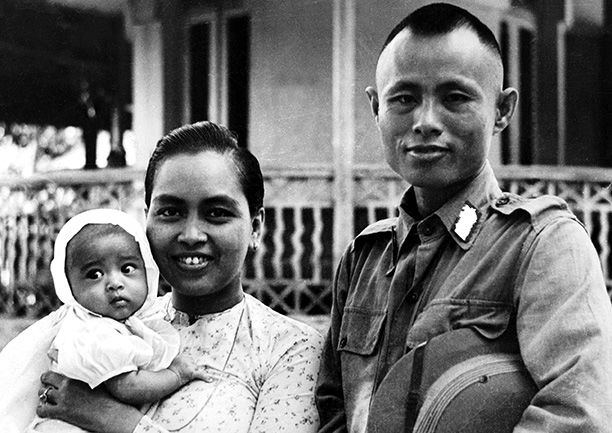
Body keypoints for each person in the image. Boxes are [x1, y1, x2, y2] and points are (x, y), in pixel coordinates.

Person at [315, 3, 612, 432]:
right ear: (376, 107)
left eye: (454, 97)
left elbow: (579, 415)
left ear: (502, 110)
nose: (425, 122)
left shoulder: (541, 245)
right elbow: (332, 409)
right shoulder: (365, 258)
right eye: (404, 98)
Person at [28, 121, 324, 433]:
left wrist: (110, 417)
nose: (192, 235)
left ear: (256, 227)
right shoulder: (103, 326)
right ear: (147, 221)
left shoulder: (290, 348)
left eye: (217, 213)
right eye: (170, 212)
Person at [1, 209, 203, 432]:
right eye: (95, 274)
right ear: (70, 288)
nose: (114, 283)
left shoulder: (126, 324)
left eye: (127, 269)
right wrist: (175, 375)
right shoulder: (95, 333)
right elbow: (129, 387)